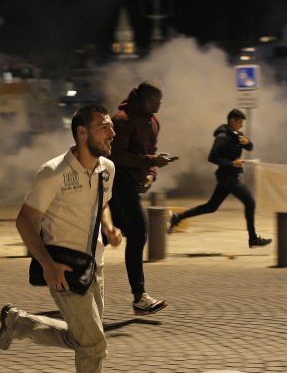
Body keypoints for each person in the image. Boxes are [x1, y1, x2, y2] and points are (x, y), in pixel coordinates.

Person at [0, 104, 127, 373]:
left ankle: (19, 323)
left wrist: (110, 229)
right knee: (95, 344)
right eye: (104, 127)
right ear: (82, 133)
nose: (112, 133)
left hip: (94, 266)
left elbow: (104, 204)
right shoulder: (53, 172)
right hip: (64, 270)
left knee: (82, 340)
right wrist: (47, 265)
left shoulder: (106, 169)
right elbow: (25, 221)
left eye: (111, 127)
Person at [108, 81, 175, 315]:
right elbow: (116, 157)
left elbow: (152, 152)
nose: (159, 104)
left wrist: (151, 175)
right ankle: (139, 297)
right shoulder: (122, 120)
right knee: (138, 231)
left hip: (133, 183)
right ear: (145, 99)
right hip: (116, 182)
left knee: (109, 233)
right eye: (156, 100)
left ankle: (72, 276)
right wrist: (151, 162)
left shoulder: (153, 122)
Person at [169, 109, 272, 248]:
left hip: (230, 176)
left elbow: (249, 147)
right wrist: (231, 163)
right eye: (240, 122)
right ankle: (253, 238)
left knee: (211, 206)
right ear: (232, 121)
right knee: (250, 202)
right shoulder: (222, 137)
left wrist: (247, 142)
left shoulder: (237, 134)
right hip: (227, 177)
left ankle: (177, 217)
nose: (241, 125)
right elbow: (212, 157)